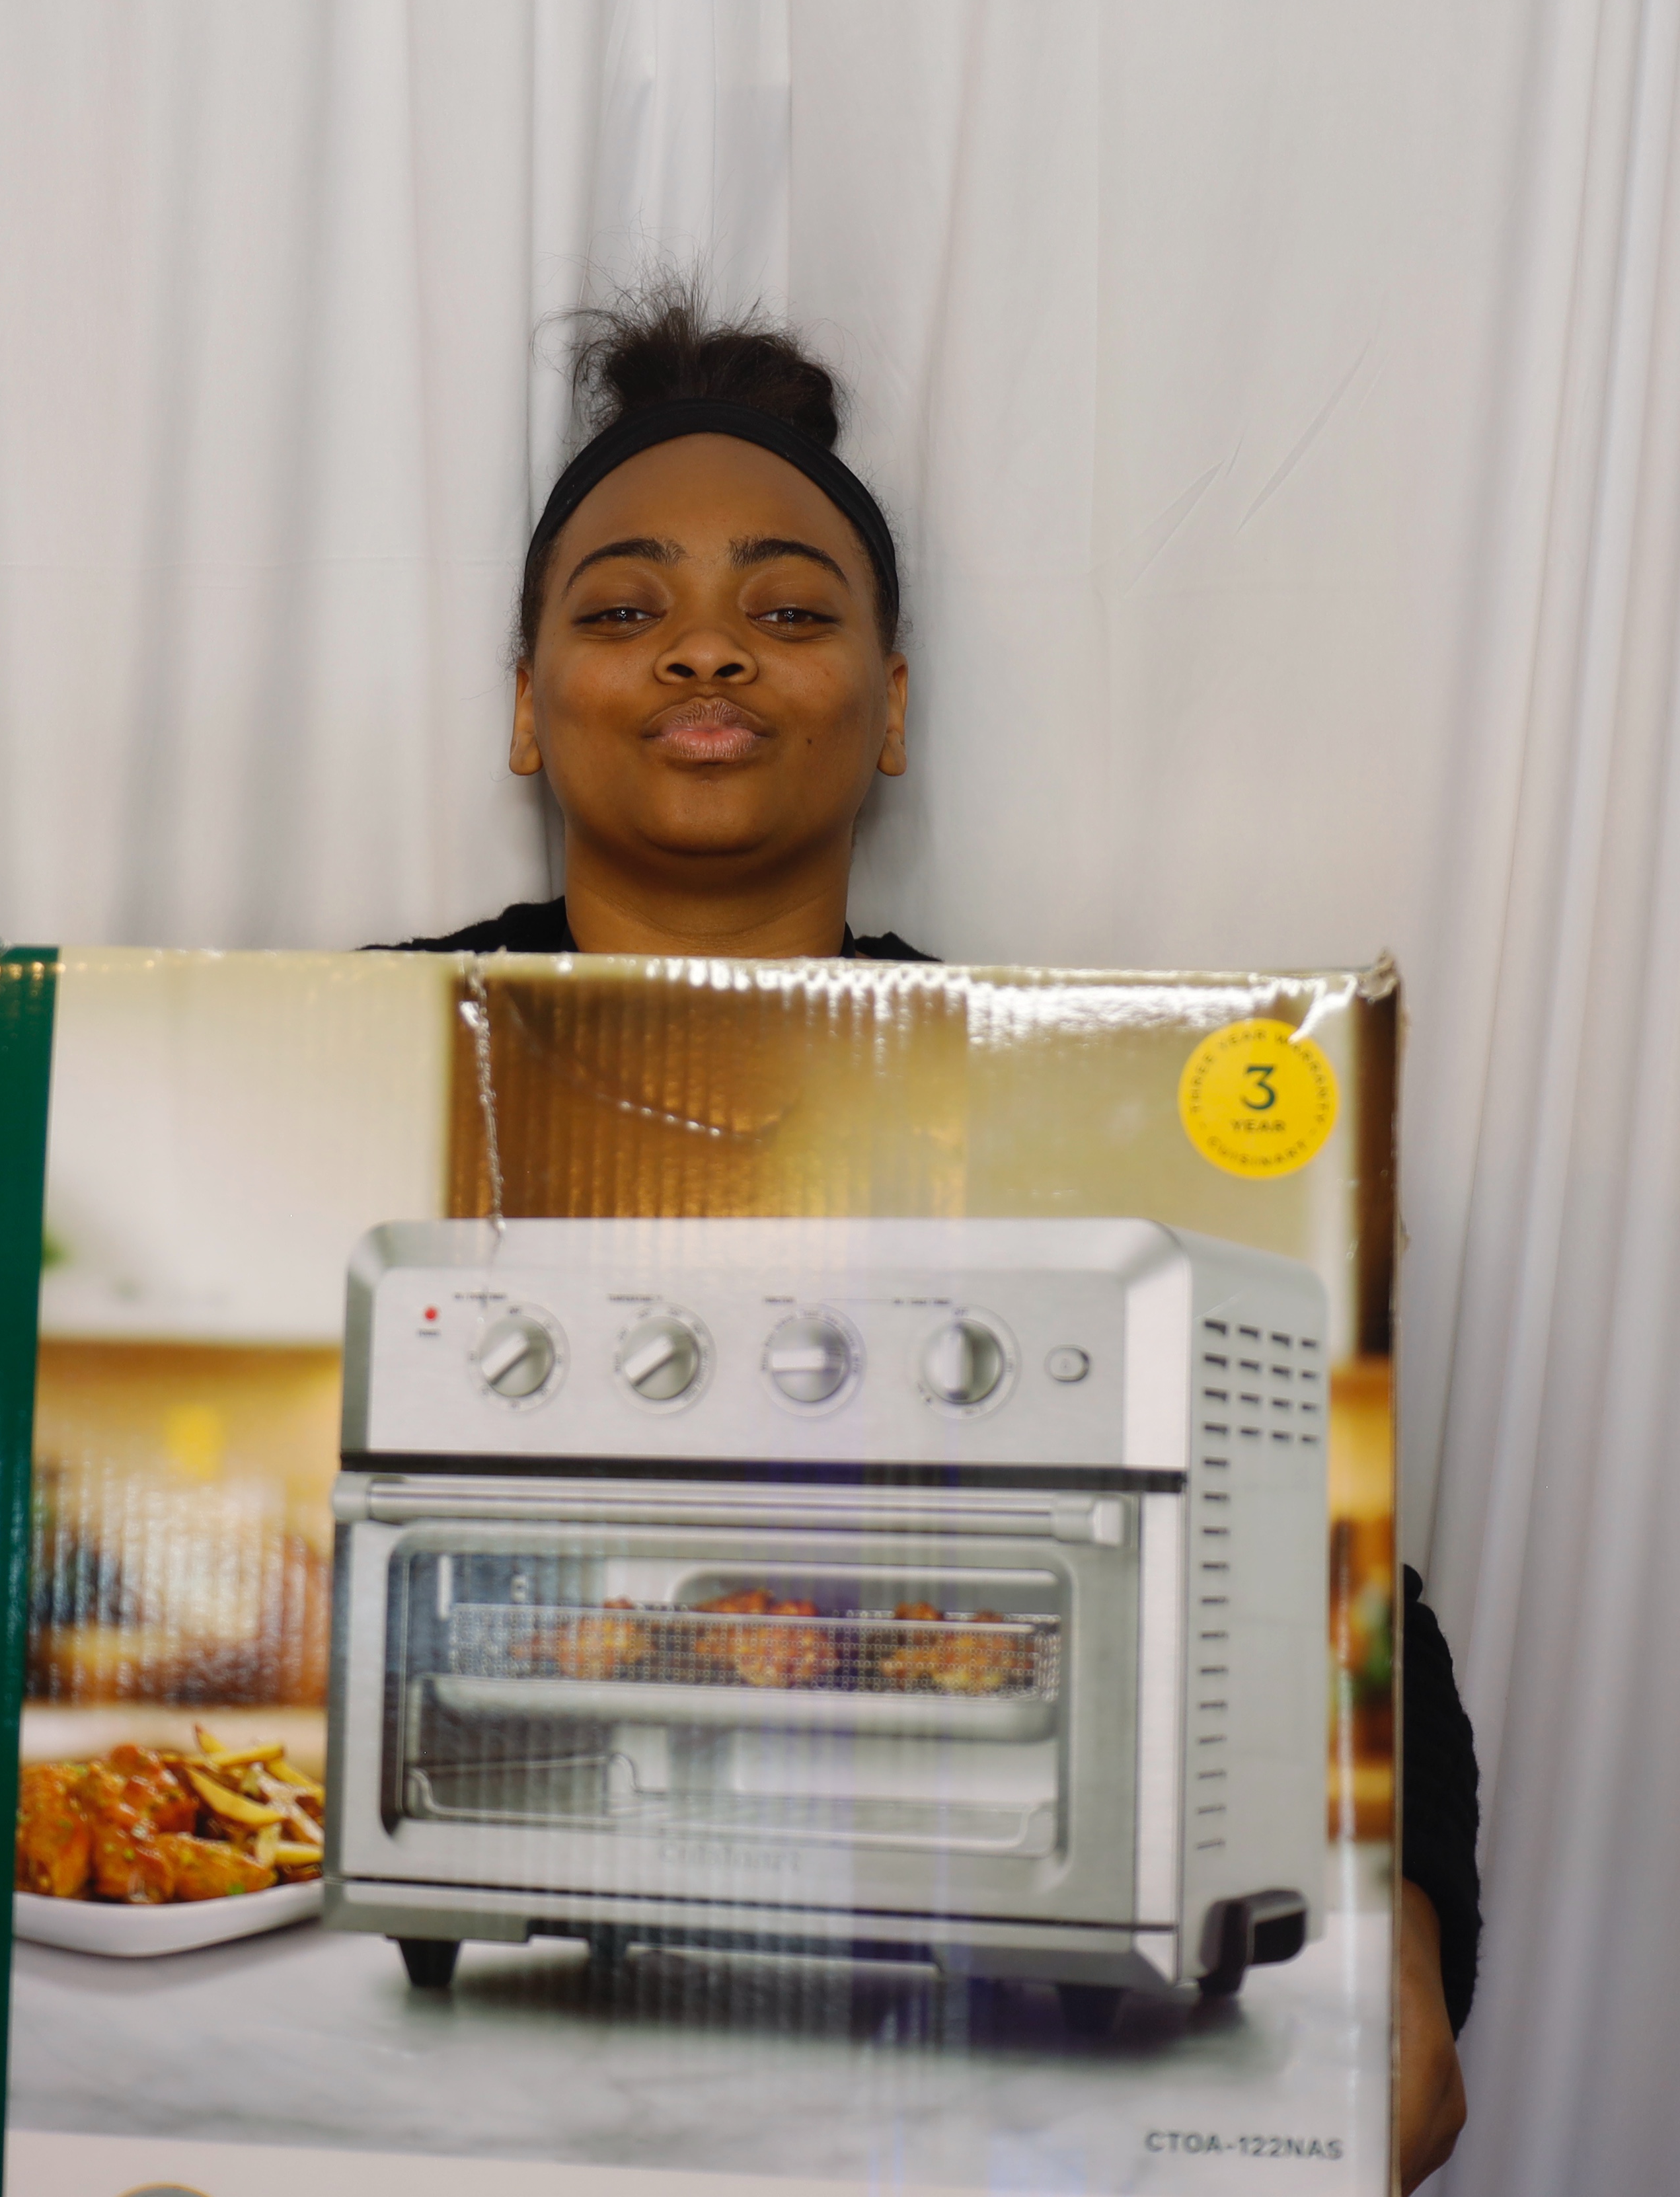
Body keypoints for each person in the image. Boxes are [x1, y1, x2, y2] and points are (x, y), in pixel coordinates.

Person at [388, 280, 1478, 2185]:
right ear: (521, 707)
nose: (705, 650)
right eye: (624, 611)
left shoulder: (1071, 1107)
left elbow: (1334, 1574)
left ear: (890, 709)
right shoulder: (361, 1041)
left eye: (791, 612)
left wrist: (1410, 1922)